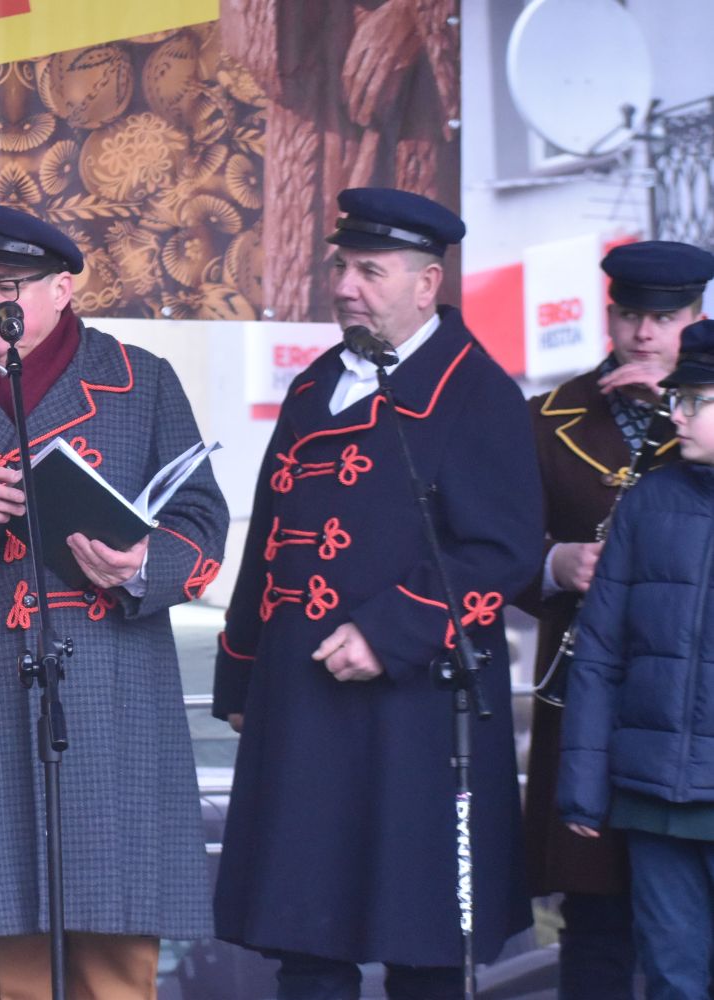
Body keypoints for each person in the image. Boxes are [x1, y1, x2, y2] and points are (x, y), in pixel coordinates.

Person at [0, 203, 228, 999]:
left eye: (8, 287)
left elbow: (203, 525)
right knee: (3, 956)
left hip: (114, 702)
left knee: (114, 959)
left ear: (62, 289)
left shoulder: (142, 382)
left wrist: (139, 564)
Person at [212, 188, 543, 999]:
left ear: (427, 283)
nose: (346, 287)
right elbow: (269, 540)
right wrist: (243, 675)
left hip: (415, 707)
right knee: (304, 944)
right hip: (300, 700)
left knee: (421, 948)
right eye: (341, 268)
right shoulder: (313, 384)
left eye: (370, 271)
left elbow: (501, 551)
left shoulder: (479, 391)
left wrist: (390, 633)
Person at [519, 240, 714, 999]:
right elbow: (488, 548)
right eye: (630, 315)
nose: (644, 333)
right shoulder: (549, 417)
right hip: (589, 700)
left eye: (665, 318)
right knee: (596, 917)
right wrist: (553, 563)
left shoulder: (695, 411)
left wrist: (678, 400)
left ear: (695, 319)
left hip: (695, 711)